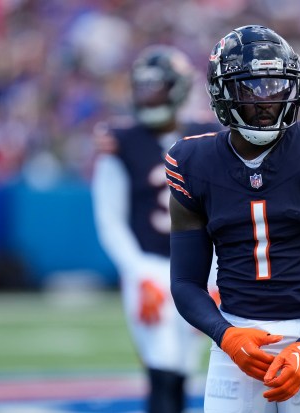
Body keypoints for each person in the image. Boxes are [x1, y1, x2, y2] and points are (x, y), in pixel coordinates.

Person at [165, 25, 300, 412]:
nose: (267, 100)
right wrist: (226, 337)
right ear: (222, 94)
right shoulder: (191, 163)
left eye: (276, 86)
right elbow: (185, 282)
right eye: (252, 88)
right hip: (236, 337)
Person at [91, 45, 221, 413]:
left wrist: (216, 278)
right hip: (148, 264)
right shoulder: (121, 141)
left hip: (200, 269)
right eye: (143, 86)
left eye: (157, 86)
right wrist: (137, 275)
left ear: (177, 88)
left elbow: (222, 214)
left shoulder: (209, 137)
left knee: (184, 367)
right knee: (162, 365)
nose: (149, 95)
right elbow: (109, 218)